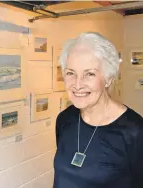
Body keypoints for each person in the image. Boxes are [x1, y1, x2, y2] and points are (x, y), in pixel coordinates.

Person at [53, 32, 143, 188]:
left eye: (89, 74)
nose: (78, 84)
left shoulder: (134, 131)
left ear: (108, 78)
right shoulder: (65, 119)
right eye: (70, 73)